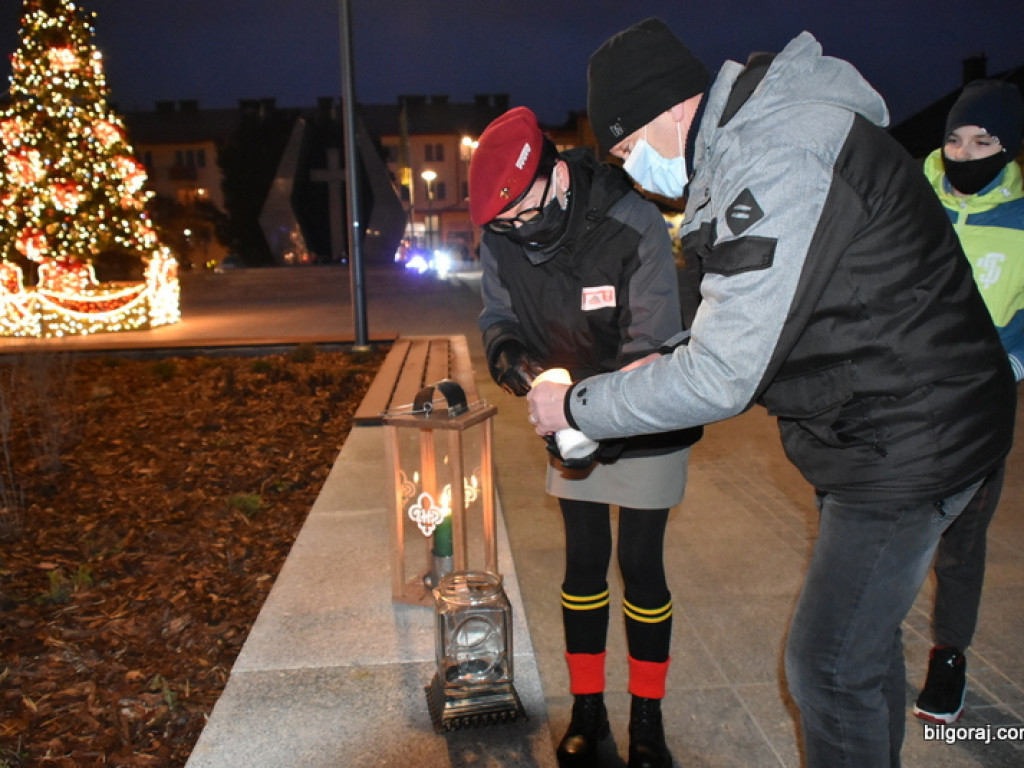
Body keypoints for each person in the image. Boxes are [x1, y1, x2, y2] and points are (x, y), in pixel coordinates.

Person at [527, 18, 1016, 768]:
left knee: (824, 667)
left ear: (670, 110)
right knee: (858, 646)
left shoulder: (776, 151)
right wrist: (631, 376)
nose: (629, 171)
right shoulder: (739, 154)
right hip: (877, 423)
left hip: (913, 430)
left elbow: (725, 372)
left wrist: (576, 408)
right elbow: (728, 314)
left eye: (626, 149)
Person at [470, 106, 702, 768]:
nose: (513, 231)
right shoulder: (503, 235)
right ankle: (588, 711)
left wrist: (585, 413)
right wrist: (513, 363)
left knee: (641, 565)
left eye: (521, 214)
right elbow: (497, 312)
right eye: (501, 225)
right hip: (566, 414)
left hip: (647, 414)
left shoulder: (633, 224)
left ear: (557, 178)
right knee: (581, 563)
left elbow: (651, 342)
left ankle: (648, 723)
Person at [912, 78, 1024, 725]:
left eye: (984, 140)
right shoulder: (913, 201)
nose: (964, 152)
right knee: (883, 527)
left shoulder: (1020, 221)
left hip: (980, 407)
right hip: (903, 400)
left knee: (961, 540)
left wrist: (1013, 359)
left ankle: (948, 655)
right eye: (955, 138)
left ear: (1007, 149)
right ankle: (867, 634)